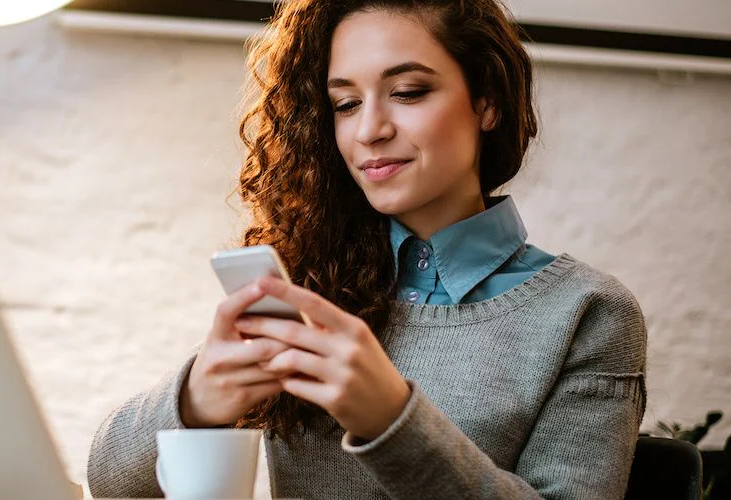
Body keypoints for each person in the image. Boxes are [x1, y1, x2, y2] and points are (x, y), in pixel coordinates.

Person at [86, 0, 648, 498]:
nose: (369, 130)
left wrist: (390, 418)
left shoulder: (586, 313)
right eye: (346, 104)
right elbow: (109, 483)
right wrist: (195, 399)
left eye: (407, 93)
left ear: (488, 101)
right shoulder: (315, 279)